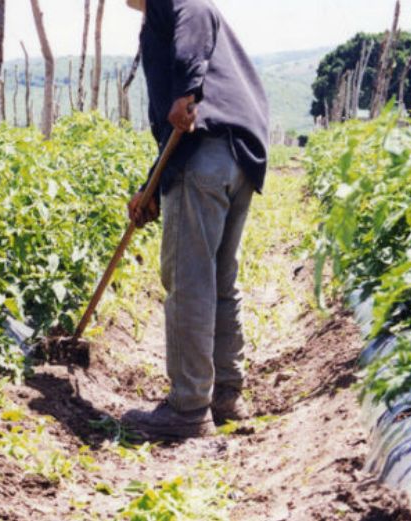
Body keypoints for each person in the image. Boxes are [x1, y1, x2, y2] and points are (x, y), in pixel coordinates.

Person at [121, 0, 270, 439]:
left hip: (206, 156)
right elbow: (176, 129)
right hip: (237, 157)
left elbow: (196, 15)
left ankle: (188, 408)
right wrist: (153, 185)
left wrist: (187, 89)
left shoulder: (175, 5)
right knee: (220, 280)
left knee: (189, 282)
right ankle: (225, 394)